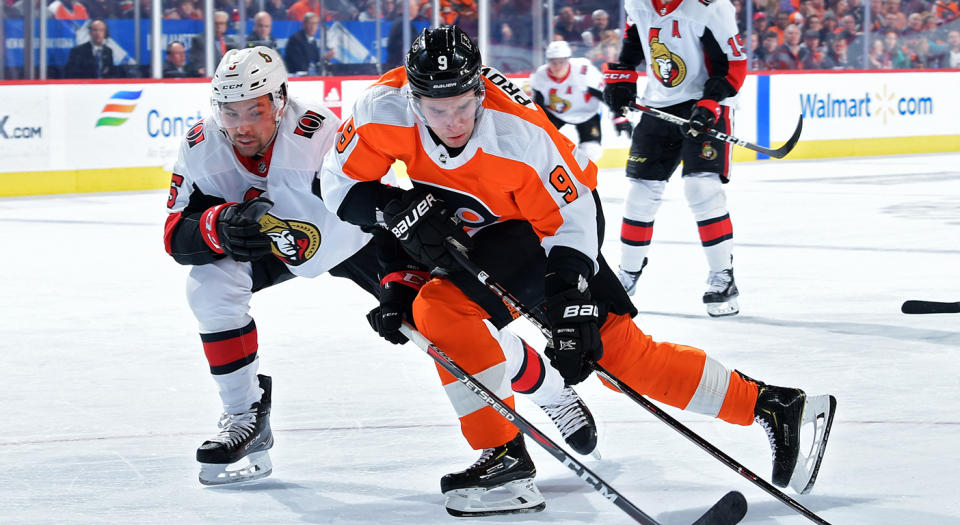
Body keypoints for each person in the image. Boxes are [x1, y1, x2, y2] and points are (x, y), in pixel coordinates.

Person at [320, 25, 836, 516]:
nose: (454, 121)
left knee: (610, 354)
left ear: (479, 88)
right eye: (438, 109)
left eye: (463, 104)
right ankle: (504, 460)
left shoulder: (521, 134)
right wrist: (392, 211)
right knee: (448, 312)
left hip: (542, 231)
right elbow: (338, 184)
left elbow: (573, 216)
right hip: (471, 226)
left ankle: (767, 405)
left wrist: (571, 296)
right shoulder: (378, 109)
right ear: (413, 99)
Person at [164, 45, 599, 487]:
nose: (241, 126)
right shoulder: (201, 145)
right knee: (208, 286)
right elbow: (175, 233)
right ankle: (244, 416)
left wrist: (398, 281)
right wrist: (214, 226)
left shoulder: (317, 135)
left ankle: (551, 392)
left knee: (445, 327)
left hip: (351, 239)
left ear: (280, 100)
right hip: (273, 244)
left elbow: (387, 206)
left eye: (253, 111)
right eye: (229, 113)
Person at [603, 0, 748, 316]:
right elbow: (635, 35)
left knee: (701, 188)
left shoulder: (710, 7)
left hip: (706, 104)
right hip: (658, 104)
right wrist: (624, 75)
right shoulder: (638, 3)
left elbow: (734, 64)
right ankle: (626, 276)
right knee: (640, 192)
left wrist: (710, 102)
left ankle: (723, 278)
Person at [528, 40, 614, 164]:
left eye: (561, 62)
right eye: (553, 62)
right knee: (538, 144)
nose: (557, 67)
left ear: (568, 59)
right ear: (548, 61)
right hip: (555, 114)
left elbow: (604, 94)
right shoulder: (540, 75)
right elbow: (538, 105)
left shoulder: (583, 70)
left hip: (587, 114)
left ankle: (579, 176)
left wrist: (618, 114)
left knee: (592, 151)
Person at [188, 10, 235, 77]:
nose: (218, 26)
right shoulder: (200, 40)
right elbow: (196, 63)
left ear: (226, 25)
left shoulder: (230, 41)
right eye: (216, 23)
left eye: (221, 23)